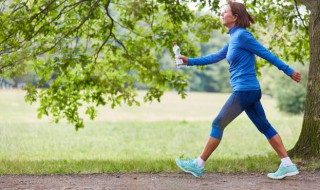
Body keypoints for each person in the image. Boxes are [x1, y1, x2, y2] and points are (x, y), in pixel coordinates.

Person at [175, 0, 301, 180]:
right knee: (264, 126)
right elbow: (216, 56)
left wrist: (288, 71)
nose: (221, 14)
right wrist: (189, 61)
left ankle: (198, 165)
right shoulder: (234, 38)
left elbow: (266, 53)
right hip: (249, 91)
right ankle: (288, 164)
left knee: (218, 123)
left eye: (224, 11)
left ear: (235, 17)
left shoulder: (243, 36)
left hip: (244, 90)